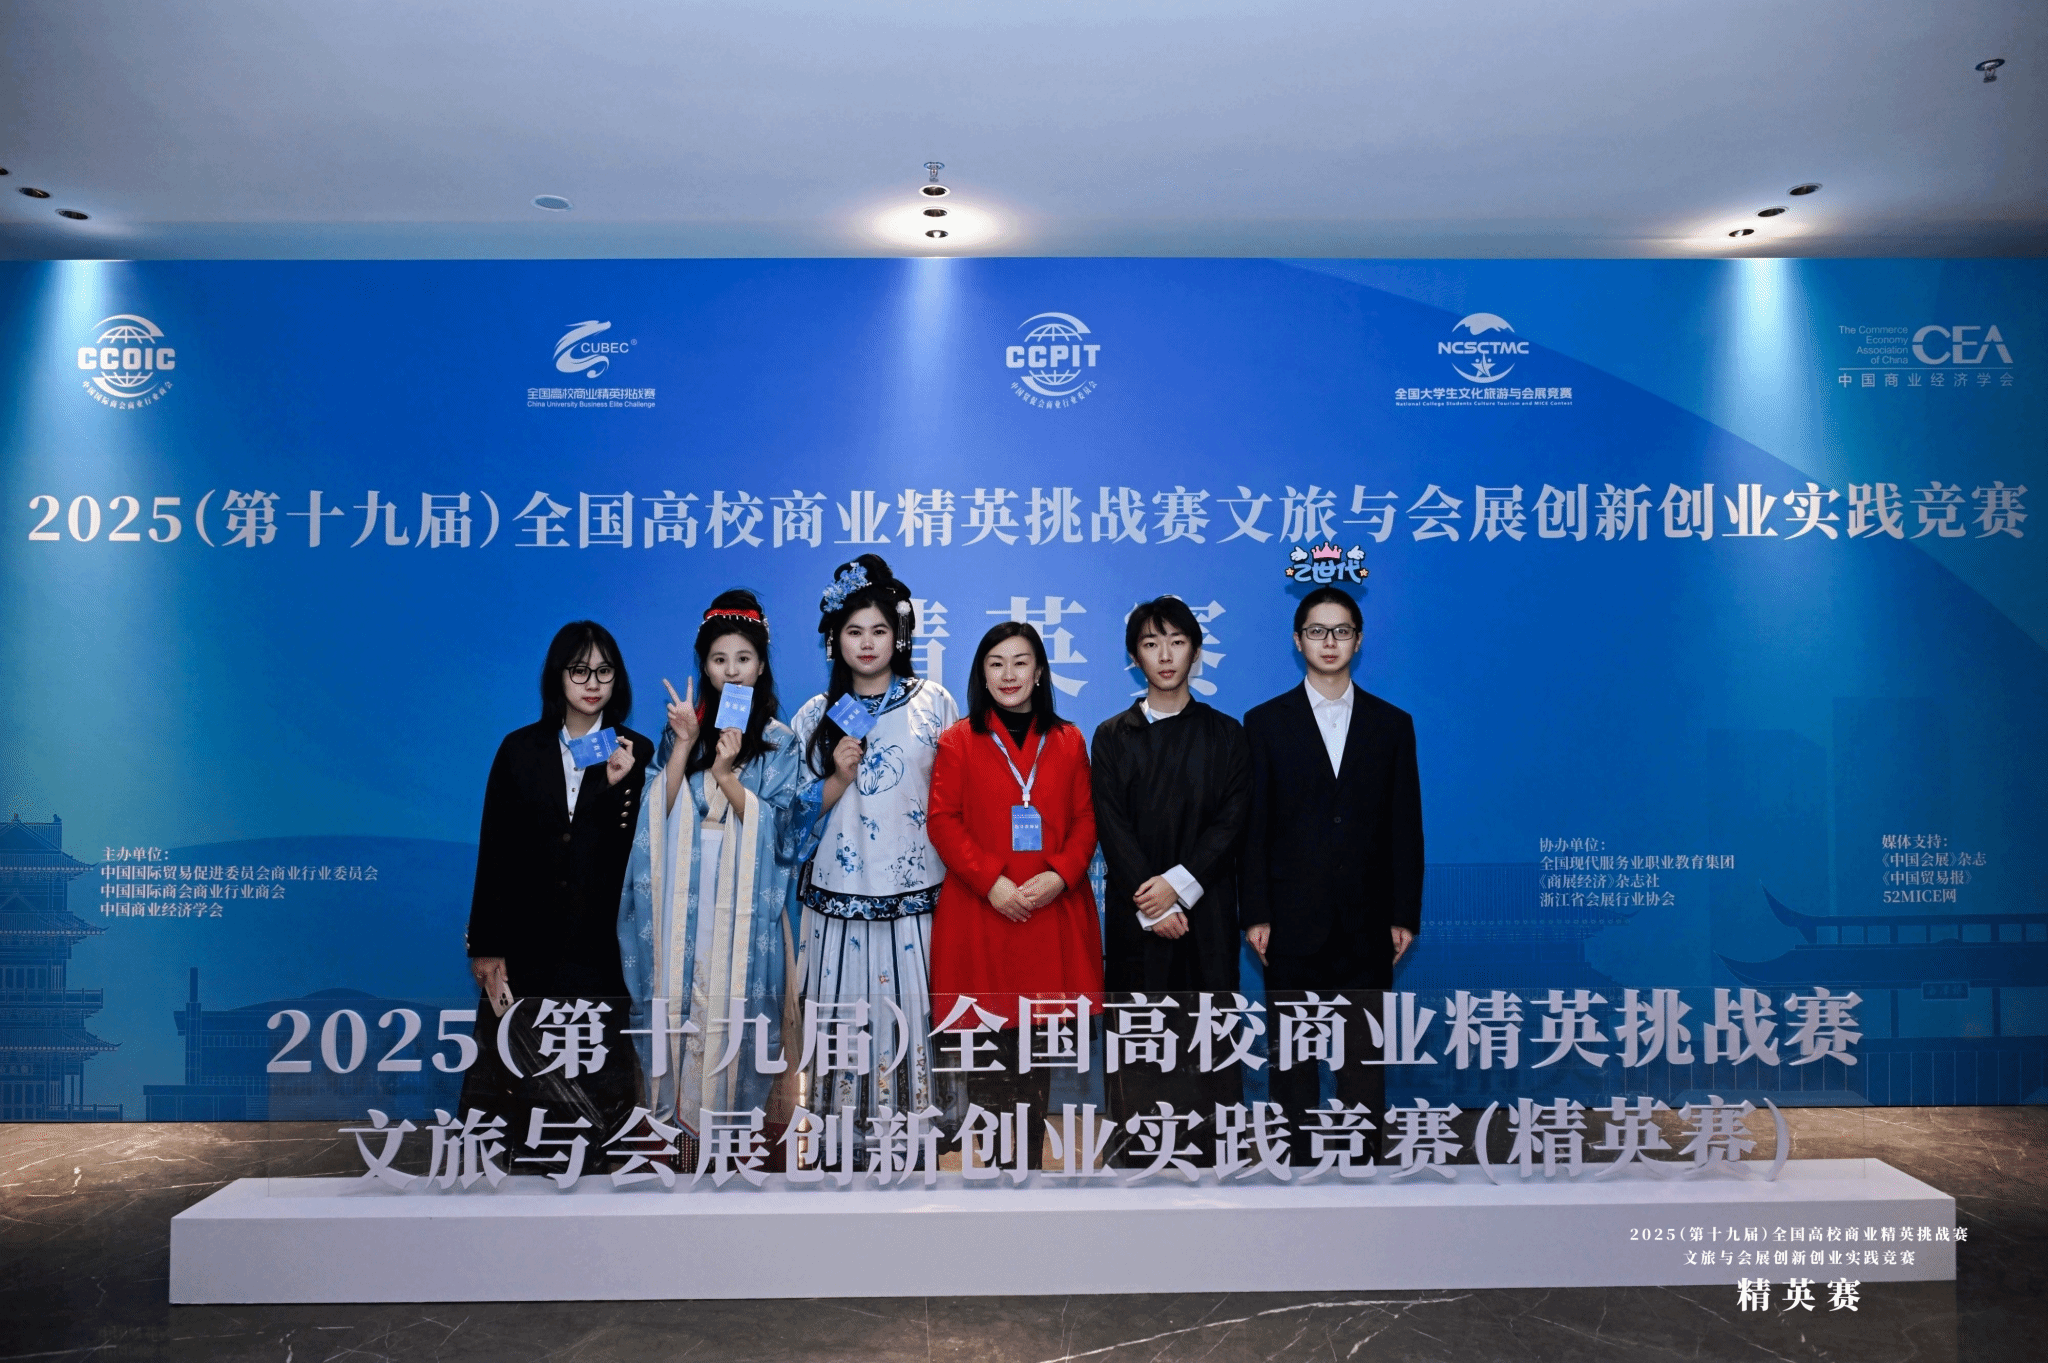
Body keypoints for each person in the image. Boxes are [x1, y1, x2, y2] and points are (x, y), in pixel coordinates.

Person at [1240, 586, 1423, 1157]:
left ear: (1358, 641)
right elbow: (1254, 827)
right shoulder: (1264, 723)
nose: (1329, 642)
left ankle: (1363, 1171)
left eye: (1341, 631)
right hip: (1290, 921)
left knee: (1362, 1062)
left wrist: (1403, 914)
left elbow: (1405, 827)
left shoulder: (1391, 724)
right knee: (1293, 1063)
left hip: (1368, 922)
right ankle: (1294, 1171)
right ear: (1298, 641)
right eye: (1316, 631)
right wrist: (1256, 912)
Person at [617, 590, 802, 1152]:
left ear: (762, 665)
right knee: (679, 1003)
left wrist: (725, 775)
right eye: (720, 659)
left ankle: (733, 1142)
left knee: (738, 1009)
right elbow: (658, 810)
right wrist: (685, 745)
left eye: (743, 658)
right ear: (704, 665)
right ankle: (677, 1141)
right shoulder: (683, 728)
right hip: (684, 899)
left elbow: (784, 832)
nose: (732, 670)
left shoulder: (779, 740)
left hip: (745, 901)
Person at [785, 555, 958, 1137]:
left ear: (898, 635)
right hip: (837, 906)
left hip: (918, 904)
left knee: (914, 1024)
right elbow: (790, 824)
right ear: (834, 639)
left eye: (879, 630)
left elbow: (956, 804)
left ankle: (916, 1140)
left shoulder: (933, 703)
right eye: (854, 631)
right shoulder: (814, 715)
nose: (866, 643)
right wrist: (835, 778)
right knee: (843, 1028)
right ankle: (840, 1142)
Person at [463, 620, 652, 1139]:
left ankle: (595, 1163)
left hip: (601, 945)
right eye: (579, 670)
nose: (592, 683)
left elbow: (635, 856)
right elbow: (495, 850)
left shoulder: (635, 752)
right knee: (517, 1078)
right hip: (529, 942)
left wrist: (613, 788)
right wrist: (487, 945)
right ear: (558, 676)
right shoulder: (519, 749)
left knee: (596, 1082)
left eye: (604, 671)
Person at [928, 621, 1103, 1167]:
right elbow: (943, 821)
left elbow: (1086, 820)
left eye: (1020, 662)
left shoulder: (1069, 740)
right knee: (988, 1053)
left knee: (1036, 1053)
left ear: (1040, 672)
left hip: (1049, 911)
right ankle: (996, 1176)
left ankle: (1026, 1168)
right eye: (996, 663)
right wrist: (991, 881)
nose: (1009, 674)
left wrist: (1061, 874)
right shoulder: (958, 740)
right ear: (981, 674)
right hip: (983, 911)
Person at [1090, 596, 1251, 1158]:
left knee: (1208, 1033)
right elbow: (1110, 824)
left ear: (1195, 652)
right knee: (1141, 1033)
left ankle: (1214, 1149)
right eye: (1151, 644)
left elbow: (1232, 821)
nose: (1165, 655)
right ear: (1134, 657)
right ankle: (1138, 1149)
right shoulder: (1112, 736)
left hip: (1207, 914)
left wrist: (1178, 887)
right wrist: (1152, 902)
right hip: (1137, 917)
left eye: (1177, 642)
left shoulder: (1227, 734)